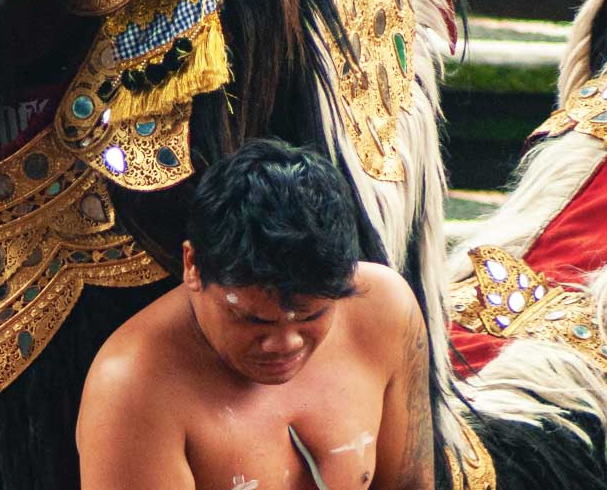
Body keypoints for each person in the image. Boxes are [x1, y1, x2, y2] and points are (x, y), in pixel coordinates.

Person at [77, 139, 433, 490]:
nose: (284, 344)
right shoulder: (131, 389)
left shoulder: (384, 308)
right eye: (254, 320)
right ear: (193, 266)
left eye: (312, 316)